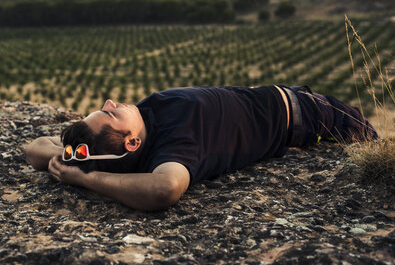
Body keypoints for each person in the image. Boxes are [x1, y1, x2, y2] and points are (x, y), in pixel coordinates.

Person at [24, 85, 378, 211]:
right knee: (376, 147)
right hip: (307, 115)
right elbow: (164, 189)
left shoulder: (128, 137)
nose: (111, 101)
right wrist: (86, 179)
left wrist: (71, 165)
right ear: (131, 142)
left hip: (291, 101)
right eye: (110, 114)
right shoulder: (176, 142)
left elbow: (35, 149)